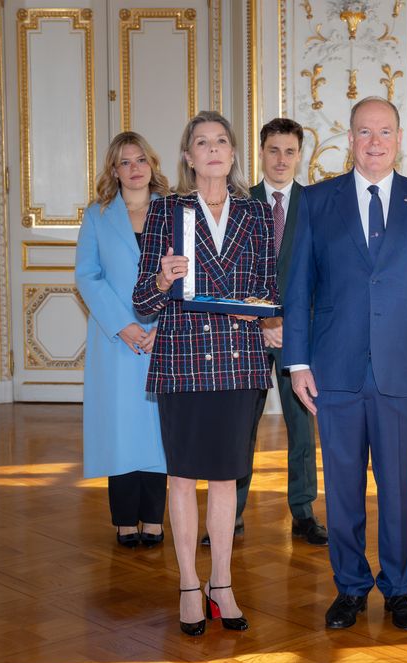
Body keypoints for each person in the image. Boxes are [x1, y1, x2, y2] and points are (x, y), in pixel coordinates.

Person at [284, 96, 407, 631]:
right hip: (333, 369)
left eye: (385, 131)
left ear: (400, 138)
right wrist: (297, 362)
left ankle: (399, 588)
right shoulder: (316, 202)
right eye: (365, 132)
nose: (376, 142)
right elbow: (298, 290)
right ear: (351, 139)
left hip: (404, 370)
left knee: (398, 486)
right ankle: (350, 585)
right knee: (341, 487)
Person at [133, 110, 277, 636]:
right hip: (183, 359)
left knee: (225, 477)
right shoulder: (166, 211)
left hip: (238, 360)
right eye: (202, 142)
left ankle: (223, 582)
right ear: (189, 157)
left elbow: (271, 289)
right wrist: (162, 276)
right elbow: (143, 300)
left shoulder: (257, 214)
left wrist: (259, 309)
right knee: (181, 476)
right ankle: (188, 585)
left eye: (221, 141)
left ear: (234, 153)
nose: (213, 149)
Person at [199, 117, 327, 548]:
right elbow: (225, 272)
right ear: (260, 152)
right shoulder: (237, 201)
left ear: (299, 155)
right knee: (239, 429)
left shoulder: (316, 204)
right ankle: (229, 514)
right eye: (274, 150)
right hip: (245, 335)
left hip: (299, 336)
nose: (281, 159)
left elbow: (325, 275)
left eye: (290, 151)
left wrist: (292, 325)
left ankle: (304, 511)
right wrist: (261, 320)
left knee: (301, 426)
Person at [76, 131, 171, 549]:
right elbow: (87, 275)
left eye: (140, 160)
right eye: (124, 162)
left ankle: (154, 517)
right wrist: (123, 325)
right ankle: (124, 520)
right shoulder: (98, 215)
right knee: (121, 428)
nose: (134, 169)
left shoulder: (173, 211)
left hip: (163, 334)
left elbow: (188, 272)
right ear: (113, 171)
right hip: (116, 338)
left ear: (152, 164)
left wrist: (159, 326)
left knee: (158, 429)